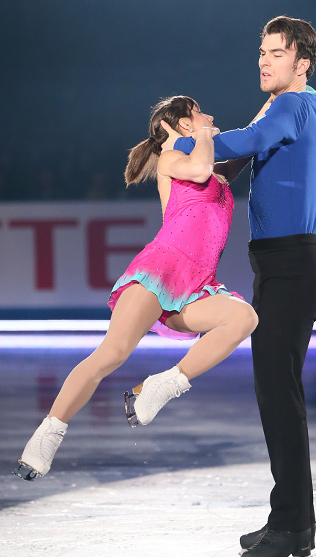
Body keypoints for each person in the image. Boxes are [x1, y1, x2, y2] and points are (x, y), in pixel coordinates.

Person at [161, 16, 316, 557]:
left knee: (277, 398)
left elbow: (247, 141)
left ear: (302, 61)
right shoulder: (312, 105)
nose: (263, 61)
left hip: (289, 267)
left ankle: (289, 525)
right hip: (289, 267)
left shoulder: (288, 108)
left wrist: (179, 142)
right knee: (280, 394)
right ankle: (296, 520)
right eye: (261, 52)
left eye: (275, 53)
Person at [14, 95, 258, 482]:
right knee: (112, 353)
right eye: (199, 112)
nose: (209, 114)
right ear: (183, 124)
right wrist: (205, 136)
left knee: (244, 317)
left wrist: (283, 99)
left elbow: (253, 137)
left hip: (197, 286)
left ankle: (163, 385)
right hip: (160, 272)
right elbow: (201, 169)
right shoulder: (173, 158)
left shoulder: (208, 161)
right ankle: (48, 434)